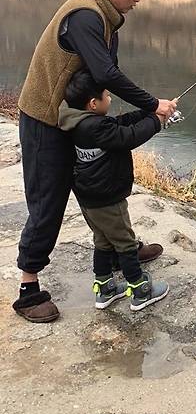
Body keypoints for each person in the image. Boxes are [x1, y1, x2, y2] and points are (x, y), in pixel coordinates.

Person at [14, 0, 177, 323]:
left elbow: (102, 77)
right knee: (48, 199)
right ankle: (28, 288)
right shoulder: (86, 15)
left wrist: (143, 112)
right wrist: (153, 106)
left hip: (74, 117)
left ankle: (124, 248)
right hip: (46, 119)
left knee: (99, 182)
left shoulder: (107, 19)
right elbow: (105, 72)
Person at [58, 71, 169, 311]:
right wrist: (157, 122)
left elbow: (120, 124)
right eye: (107, 95)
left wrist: (149, 112)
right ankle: (140, 290)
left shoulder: (78, 122)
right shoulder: (95, 127)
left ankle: (105, 289)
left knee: (103, 242)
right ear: (93, 103)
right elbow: (127, 136)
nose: (110, 99)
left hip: (89, 198)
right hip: (107, 197)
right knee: (125, 242)